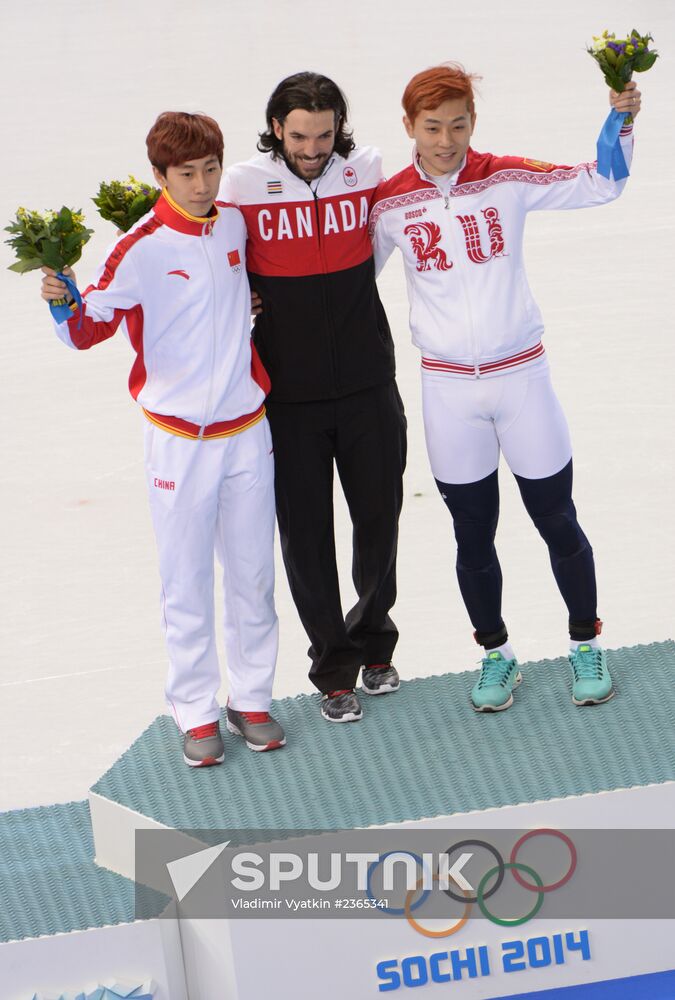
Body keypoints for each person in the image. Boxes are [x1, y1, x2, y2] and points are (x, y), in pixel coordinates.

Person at [370, 64, 642, 712]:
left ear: (473, 122)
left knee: (556, 517)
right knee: (471, 533)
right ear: (407, 126)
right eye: (431, 126)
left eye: (458, 124)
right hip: (446, 391)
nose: (445, 139)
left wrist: (620, 115)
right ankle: (495, 654)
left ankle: (585, 640)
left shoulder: (506, 178)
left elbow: (600, 182)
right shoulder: (387, 206)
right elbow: (343, 282)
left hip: (521, 378)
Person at [40, 112, 285, 766]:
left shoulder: (235, 222)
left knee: (254, 575)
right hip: (177, 442)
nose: (202, 184)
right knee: (185, 583)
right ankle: (197, 711)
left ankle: (252, 698)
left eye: (210, 169)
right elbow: (82, 332)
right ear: (159, 176)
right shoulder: (140, 247)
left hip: (247, 434)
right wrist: (60, 298)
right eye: (186, 174)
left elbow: (256, 285)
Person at [221, 72, 407, 723]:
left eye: (324, 135)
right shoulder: (241, 185)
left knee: (379, 522)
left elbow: (382, 247)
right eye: (299, 135)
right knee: (306, 539)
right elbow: (218, 255)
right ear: (277, 127)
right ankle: (332, 667)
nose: (312, 148)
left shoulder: (367, 170)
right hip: (288, 398)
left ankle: (374, 641)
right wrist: (232, 296)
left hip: (367, 383)